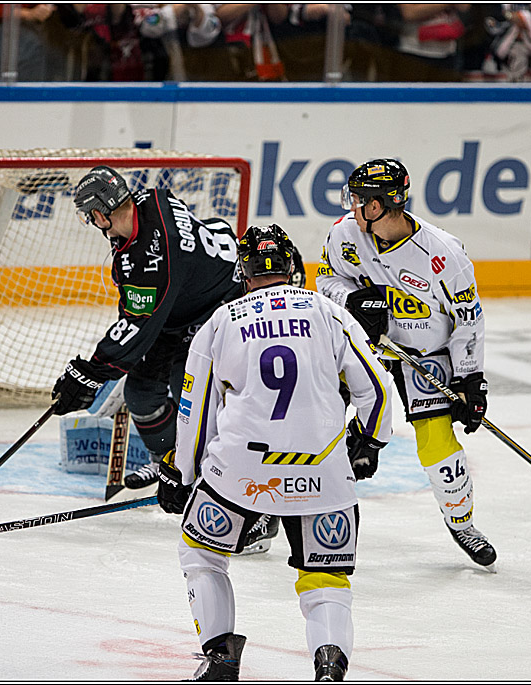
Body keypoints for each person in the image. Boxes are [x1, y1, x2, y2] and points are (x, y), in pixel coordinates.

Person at [157, 224, 393, 681]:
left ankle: (221, 656)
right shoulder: (329, 312)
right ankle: (329, 666)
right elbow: (377, 390)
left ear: (242, 272)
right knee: (326, 582)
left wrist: (180, 472)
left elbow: (196, 412)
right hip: (324, 474)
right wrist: (369, 440)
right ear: (293, 267)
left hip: (241, 475)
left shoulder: (221, 323)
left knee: (202, 555)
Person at [316, 158, 496, 571]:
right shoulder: (344, 234)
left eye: (359, 200)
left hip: (424, 356)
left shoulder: (444, 253)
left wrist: (470, 380)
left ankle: (461, 521)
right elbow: (325, 282)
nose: (352, 206)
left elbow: (469, 318)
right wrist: (353, 300)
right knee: (314, 415)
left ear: (378, 206)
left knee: (438, 446)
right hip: (364, 347)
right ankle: (276, 506)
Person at [50, 165, 243, 493]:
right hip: (179, 305)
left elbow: (140, 323)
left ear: (100, 212)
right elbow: (140, 308)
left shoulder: (154, 256)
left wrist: (92, 370)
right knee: (141, 394)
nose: (92, 223)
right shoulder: (149, 201)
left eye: (89, 215)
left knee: (191, 395)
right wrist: (108, 364)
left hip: (218, 307)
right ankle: (166, 459)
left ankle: (205, 472)